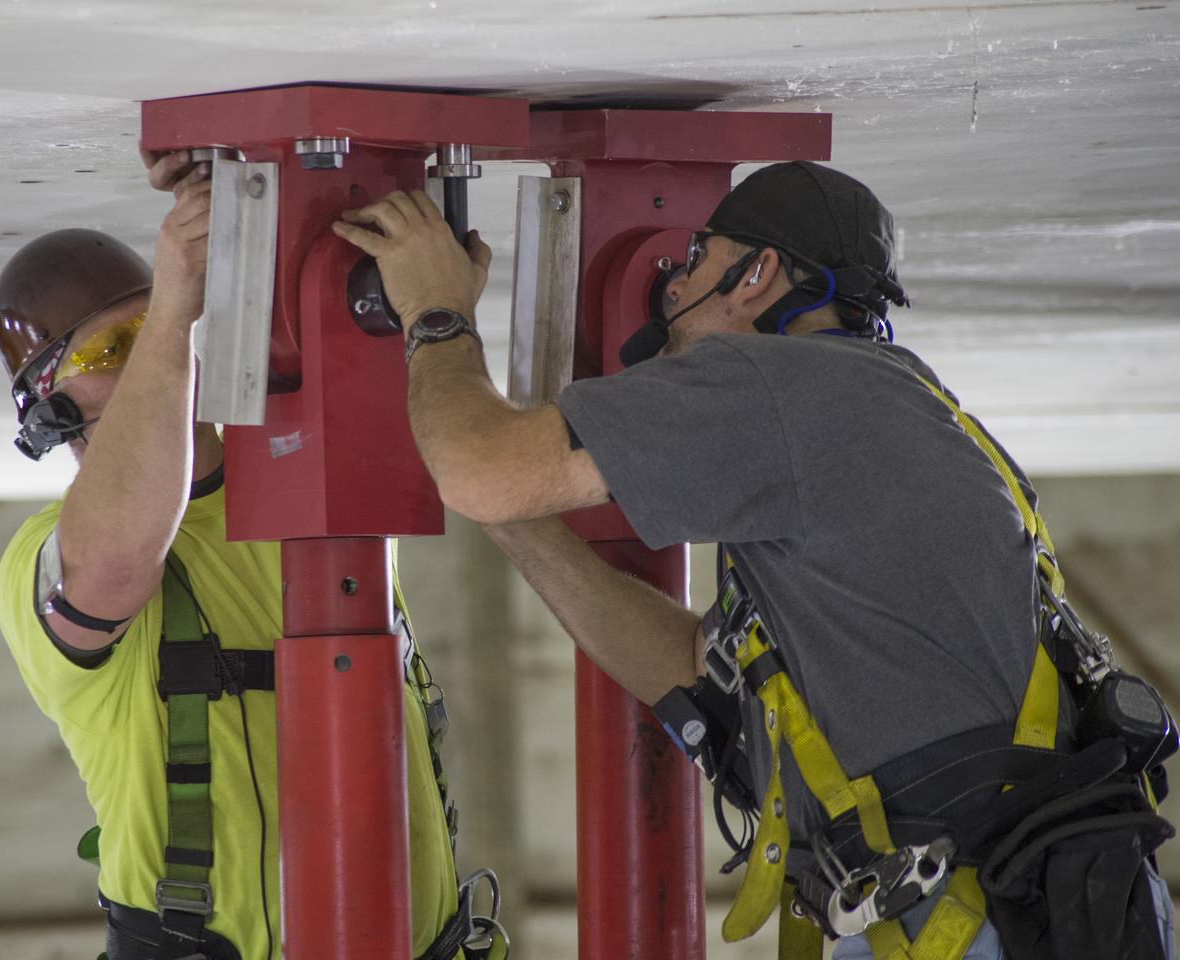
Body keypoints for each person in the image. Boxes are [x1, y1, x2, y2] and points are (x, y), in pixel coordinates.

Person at [331, 161, 1176, 960]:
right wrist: (511, 519)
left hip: (966, 918)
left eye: (698, 259)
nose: (670, 287)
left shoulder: (783, 384)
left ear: (758, 274)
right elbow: (692, 667)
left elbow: (485, 467)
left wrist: (436, 313)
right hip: (989, 910)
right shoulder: (872, 414)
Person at [0, 152, 464, 960]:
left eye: (148, 332)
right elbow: (109, 564)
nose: (149, 356)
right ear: (52, 410)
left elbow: (326, 324)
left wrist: (238, 190)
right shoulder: (41, 558)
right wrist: (170, 313)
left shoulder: (296, 476)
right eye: (113, 354)